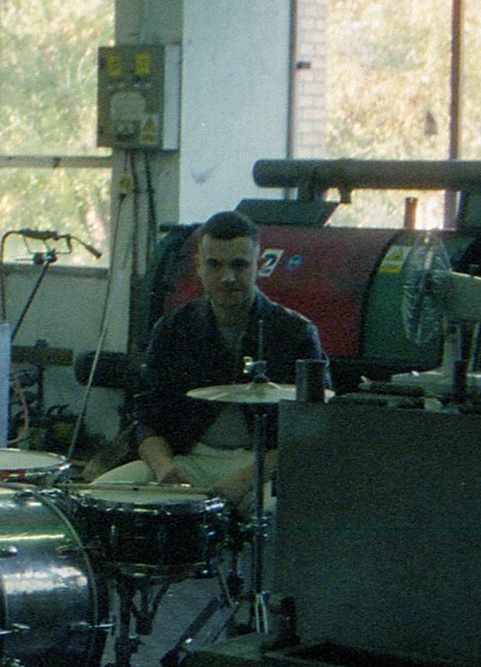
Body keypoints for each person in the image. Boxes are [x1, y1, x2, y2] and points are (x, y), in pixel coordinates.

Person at [97, 210, 325, 511]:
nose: (227, 277)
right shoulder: (172, 328)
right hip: (189, 460)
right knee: (99, 495)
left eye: (239, 265)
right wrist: (165, 468)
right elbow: (147, 418)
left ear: (258, 265)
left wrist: (246, 480)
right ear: (199, 267)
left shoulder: (295, 332)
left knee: (282, 513)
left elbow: (311, 429)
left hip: (265, 468)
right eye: (214, 264)